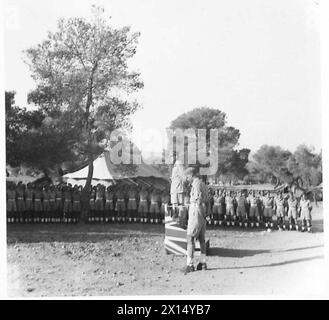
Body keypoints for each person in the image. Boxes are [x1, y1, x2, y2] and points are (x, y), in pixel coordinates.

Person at [185, 167, 209, 274]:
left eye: (187, 176)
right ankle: (203, 263)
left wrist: (199, 212)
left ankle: (190, 265)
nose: (186, 178)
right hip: (202, 213)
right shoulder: (203, 183)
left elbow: (198, 200)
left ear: (191, 175)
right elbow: (207, 200)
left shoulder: (196, 184)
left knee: (190, 238)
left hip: (196, 212)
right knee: (201, 239)